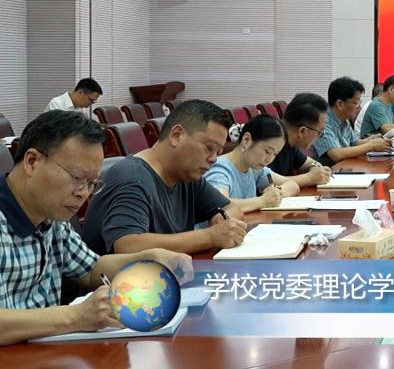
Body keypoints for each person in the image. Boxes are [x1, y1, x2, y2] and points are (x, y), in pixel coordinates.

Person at [0, 110, 191, 345]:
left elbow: (91, 270)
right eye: (77, 177)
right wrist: (76, 317)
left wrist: (148, 260)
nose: (83, 193)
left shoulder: (50, 216)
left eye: (92, 183)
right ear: (32, 161)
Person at [81, 100, 248, 256]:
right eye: (209, 148)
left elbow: (230, 207)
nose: (214, 159)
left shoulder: (187, 175)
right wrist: (210, 236)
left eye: (218, 152)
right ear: (176, 135)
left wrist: (222, 220)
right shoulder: (132, 178)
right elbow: (128, 246)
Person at [204, 115, 329, 214]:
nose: (270, 159)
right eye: (267, 151)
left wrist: (278, 193)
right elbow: (221, 206)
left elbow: (292, 185)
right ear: (246, 140)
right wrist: (262, 201)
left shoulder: (254, 168)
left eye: (275, 154)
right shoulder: (219, 169)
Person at [312, 77, 392, 164]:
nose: (358, 107)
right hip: (330, 170)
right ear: (340, 104)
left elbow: (353, 142)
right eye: (355, 102)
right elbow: (336, 154)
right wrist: (371, 145)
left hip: (346, 167)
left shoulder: (344, 118)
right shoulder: (323, 121)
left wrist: (370, 141)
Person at [268, 93, 332, 184]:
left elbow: (307, 163)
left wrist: (317, 168)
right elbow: (266, 180)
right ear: (302, 131)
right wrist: (310, 178)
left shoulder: (290, 141)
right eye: (319, 132)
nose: (319, 136)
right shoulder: (269, 138)